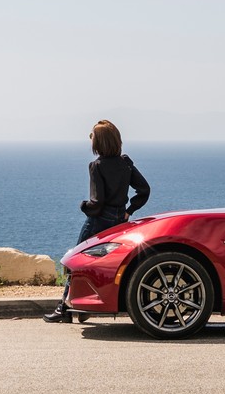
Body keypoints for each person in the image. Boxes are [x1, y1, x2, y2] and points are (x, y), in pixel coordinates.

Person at [42, 119, 150, 323]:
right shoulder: (126, 163)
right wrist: (129, 211)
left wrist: (84, 206)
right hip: (119, 220)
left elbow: (97, 202)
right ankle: (85, 306)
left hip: (98, 222)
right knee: (108, 264)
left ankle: (64, 310)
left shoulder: (96, 166)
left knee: (77, 262)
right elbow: (144, 190)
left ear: (98, 143)